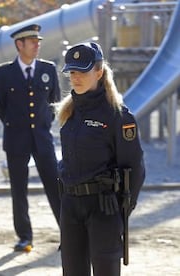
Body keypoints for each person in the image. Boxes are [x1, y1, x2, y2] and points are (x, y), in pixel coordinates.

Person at [57, 42, 145, 276]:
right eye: (72, 72)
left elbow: (135, 166)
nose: (76, 77)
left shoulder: (118, 115)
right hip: (71, 206)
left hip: (103, 208)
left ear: (99, 72)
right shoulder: (70, 112)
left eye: (82, 71)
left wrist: (122, 210)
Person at [0, 24, 61, 252]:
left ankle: (68, 233)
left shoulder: (48, 69)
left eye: (38, 41)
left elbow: (55, 103)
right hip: (16, 140)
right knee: (18, 190)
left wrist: (42, 125)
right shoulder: (5, 73)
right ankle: (25, 236)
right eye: (32, 41)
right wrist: (15, 126)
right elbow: (0, 107)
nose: (37, 45)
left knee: (56, 185)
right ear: (19, 45)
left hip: (43, 138)